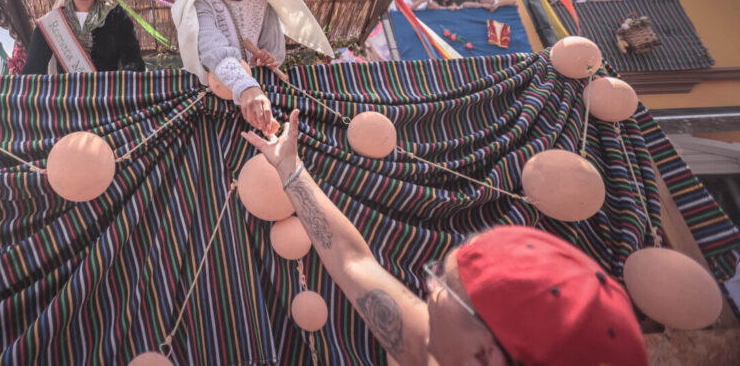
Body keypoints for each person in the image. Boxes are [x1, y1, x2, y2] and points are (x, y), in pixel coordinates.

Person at [241, 110, 647, 366]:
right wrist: (290, 170)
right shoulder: (440, 350)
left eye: (442, 287)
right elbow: (353, 262)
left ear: (486, 355)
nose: (427, 286)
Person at [170, 0, 333, 132]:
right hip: (211, 99)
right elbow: (211, 48)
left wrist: (264, 58)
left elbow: (274, 54)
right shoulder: (200, 3)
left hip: (259, 97)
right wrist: (245, 86)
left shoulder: (263, 1)